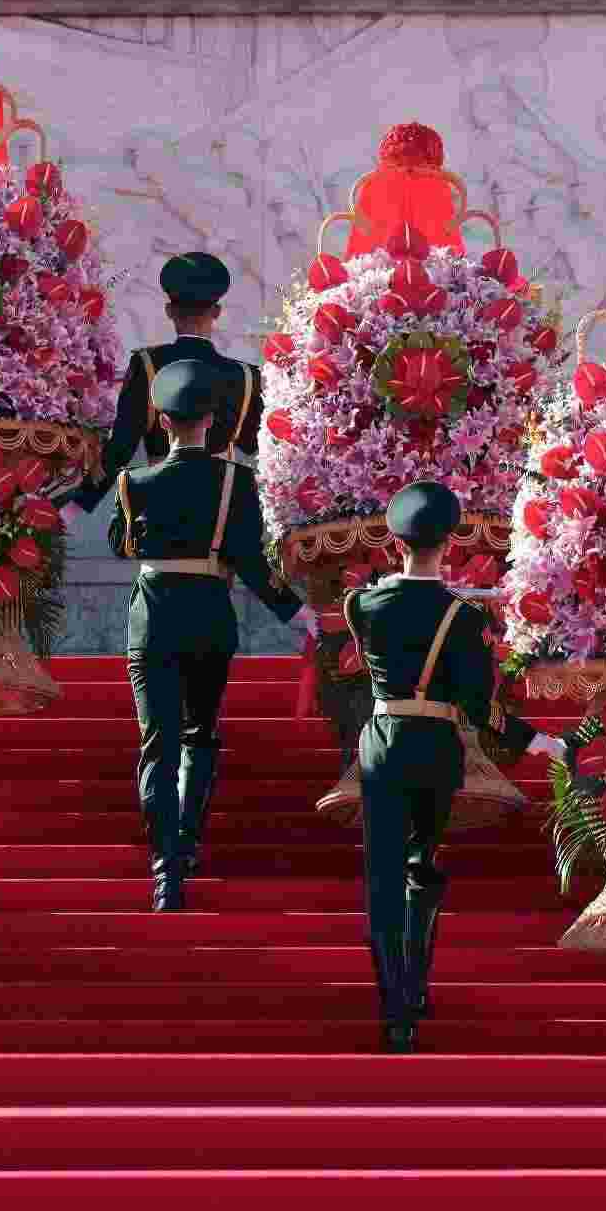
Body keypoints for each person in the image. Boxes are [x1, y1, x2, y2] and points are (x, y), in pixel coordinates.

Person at [346, 482, 563, 1052]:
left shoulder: (361, 605)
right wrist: (535, 741)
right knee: (421, 862)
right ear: (448, 544)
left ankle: (395, 1007)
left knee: (382, 876)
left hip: (382, 739)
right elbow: (478, 707)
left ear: (396, 544)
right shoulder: (462, 617)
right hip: (435, 742)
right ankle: (416, 987)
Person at [106, 360, 306, 911]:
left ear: (164, 421)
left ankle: (165, 871)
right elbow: (250, 562)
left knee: (157, 745)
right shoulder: (236, 482)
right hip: (209, 616)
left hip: (152, 619)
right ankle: (187, 843)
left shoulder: (133, 483)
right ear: (213, 420)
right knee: (199, 736)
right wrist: (296, 613)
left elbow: (121, 545)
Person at [73, 253, 263, 512]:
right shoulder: (246, 376)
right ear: (217, 312)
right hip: (221, 511)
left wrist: (78, 504)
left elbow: (121, 447)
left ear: (169, 311)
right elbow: (252, 445)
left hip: (161, 506)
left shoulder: (148, 365)